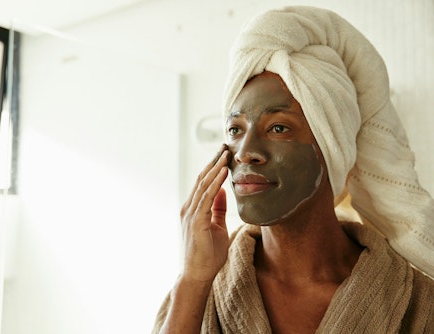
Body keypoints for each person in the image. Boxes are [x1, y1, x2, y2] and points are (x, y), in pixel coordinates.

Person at [152, 6, 434, 334]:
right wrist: (193, 279)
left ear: (332, 147)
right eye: (235, 130)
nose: (245, 153)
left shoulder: (417, 303)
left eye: (278, 128)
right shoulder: (199, 294)